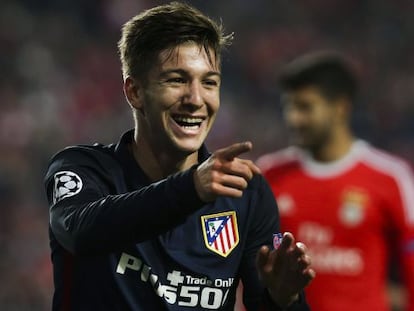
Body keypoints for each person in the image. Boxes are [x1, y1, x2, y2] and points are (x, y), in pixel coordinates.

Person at [43, 2, 315, 310]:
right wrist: (191, 189)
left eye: (209, 83)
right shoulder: (84, 169)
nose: (196, 99)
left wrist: (283, 300)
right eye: (177, 80)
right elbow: (79, 233)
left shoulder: (245, 193)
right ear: (134, 92)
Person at [256, 51, 414, 311]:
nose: (294, 118)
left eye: (305, 107)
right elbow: (256, 262)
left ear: (340, 107)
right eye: (289, 107)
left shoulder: (390, 177)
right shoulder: (271, 174)